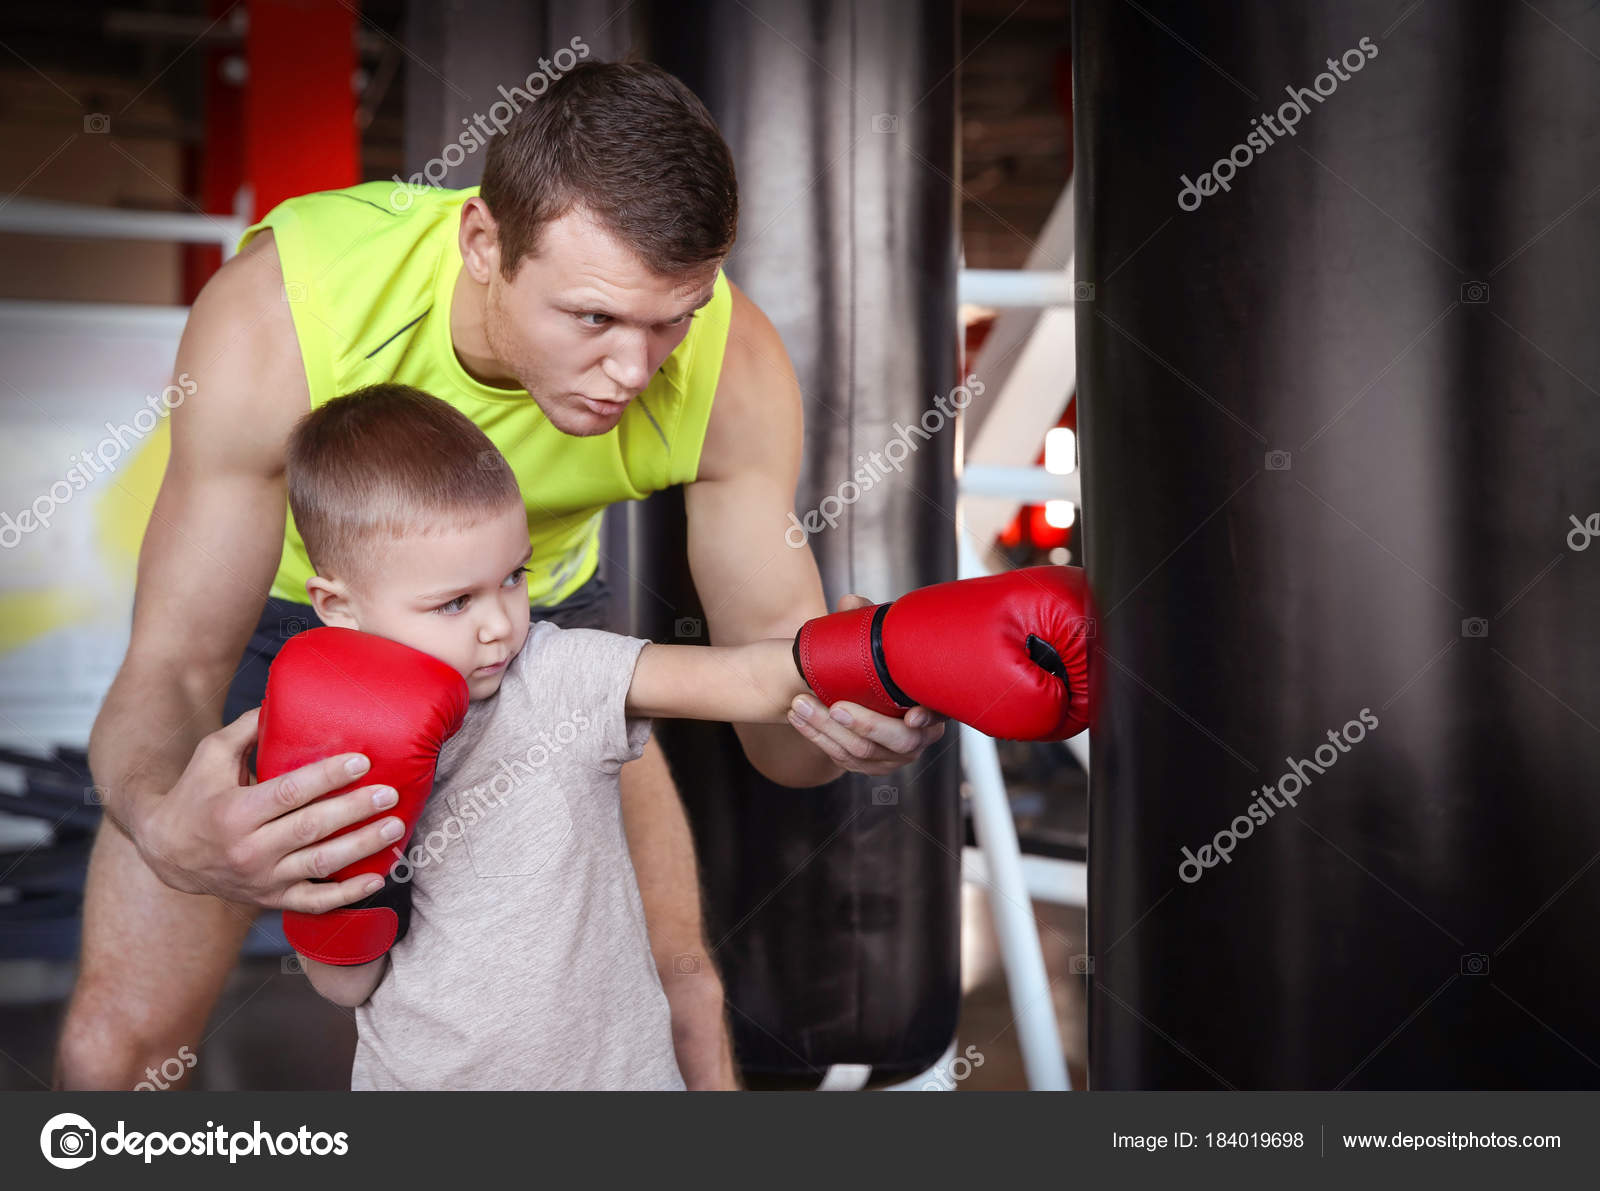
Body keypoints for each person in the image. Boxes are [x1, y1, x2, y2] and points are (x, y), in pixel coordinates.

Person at [57, 60, 943, 1092]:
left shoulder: (728, 363)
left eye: (672, 318)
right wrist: (167, 829)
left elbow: (781, 726)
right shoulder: (287, 316)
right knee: (116, 1042)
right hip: (295, 622)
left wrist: (850, 723)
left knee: (683, 989)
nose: (635, 369)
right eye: (594, 319)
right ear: (484, 245)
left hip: (539, 628)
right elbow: (168, 664)